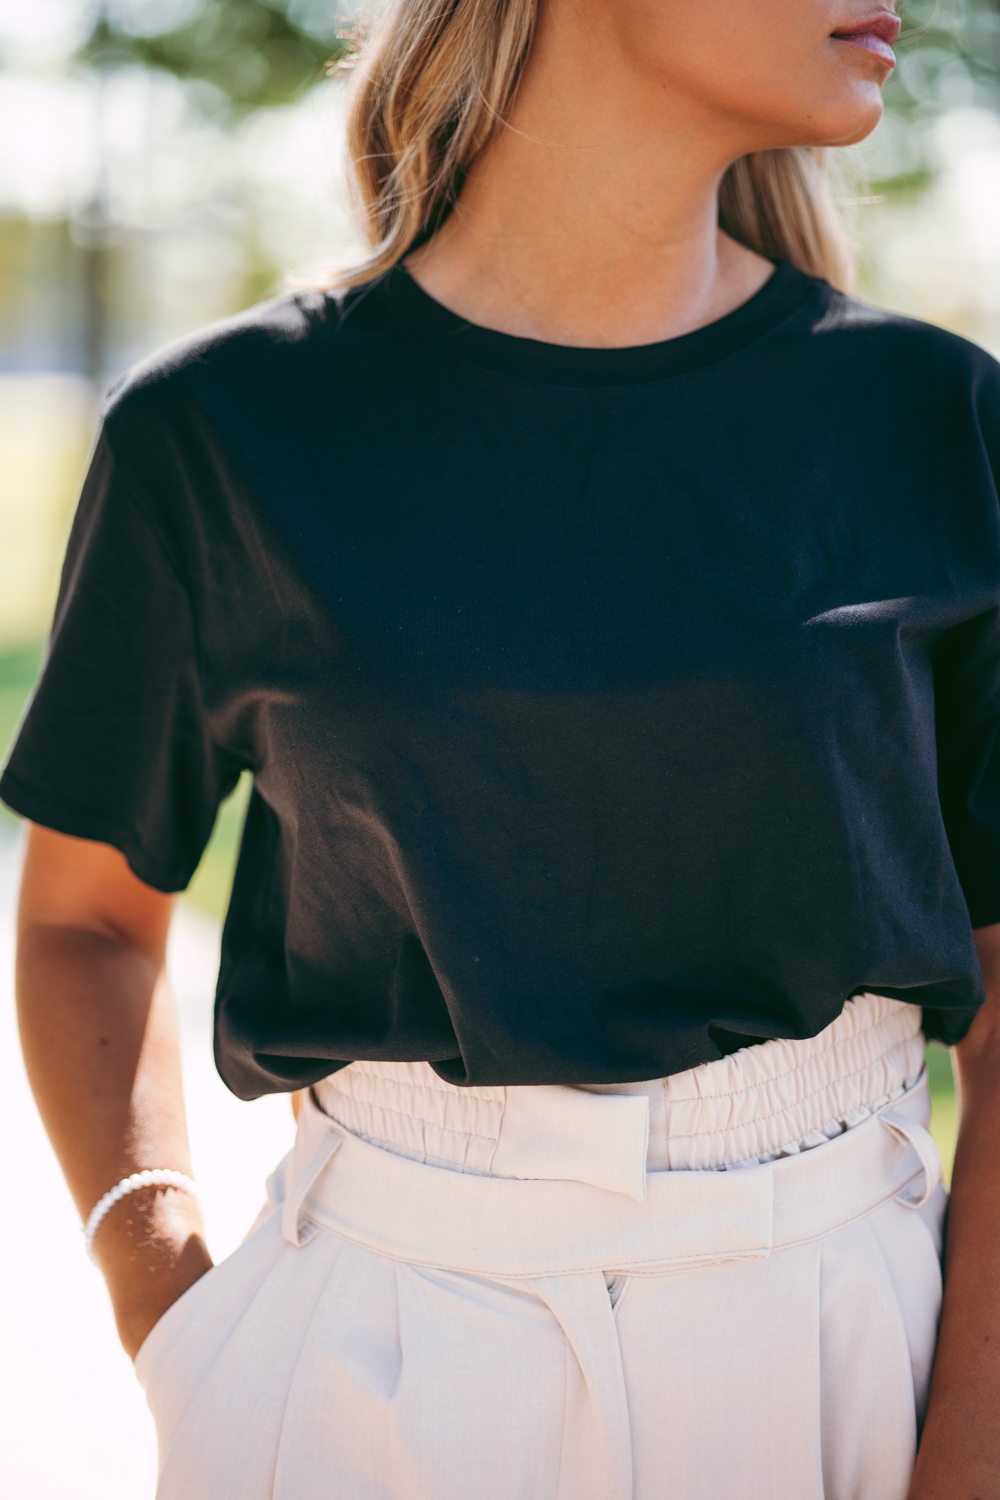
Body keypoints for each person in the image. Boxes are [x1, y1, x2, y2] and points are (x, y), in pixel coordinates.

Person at [5, 0, 1000, 1494]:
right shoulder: (221, 432)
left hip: (845, 1347)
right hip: (366, 1349)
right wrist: (171, 1307)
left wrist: (973, 1444)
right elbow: (82, 921)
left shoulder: (937, 421)